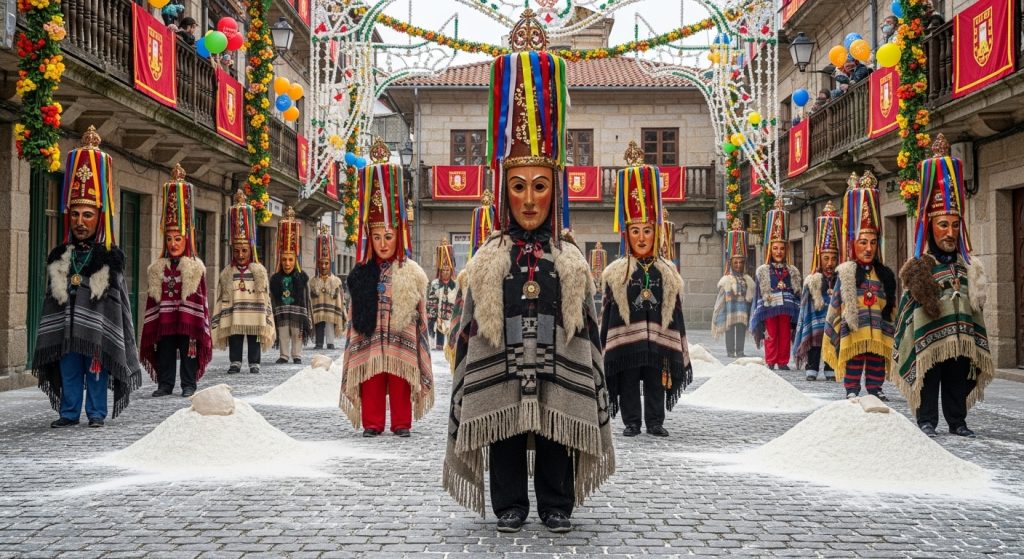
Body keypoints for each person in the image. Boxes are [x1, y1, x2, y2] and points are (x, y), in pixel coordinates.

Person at [443, 13, 614, 534]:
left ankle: (557, 503)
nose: (530, 198)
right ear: (504, 192)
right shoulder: (487, 257)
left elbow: (586, 331)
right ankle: (510, 502)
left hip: (556, 360)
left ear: (554, 190)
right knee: (507, 427)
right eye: (518, 187)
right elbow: (468, 328)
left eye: (540, 186)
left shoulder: (570, 258)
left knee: (561, 422)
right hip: (504, 362)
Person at [32, 127, 144, 428]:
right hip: (66, 331)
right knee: (69, 370)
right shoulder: (59, 255)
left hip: (96, 333)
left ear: (100, 217)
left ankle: (96, 413)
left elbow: (118, 307)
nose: (81, 222)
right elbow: (50, 300)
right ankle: (68, 412)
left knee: (95, 370)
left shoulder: (110, 257)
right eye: (76, 215)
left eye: (88, 215)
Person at [892, 134, 993, 437]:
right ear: (930, 226)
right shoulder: (920, 267)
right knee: (929, 374)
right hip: (929, 340)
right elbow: (909, 312)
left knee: (957, 376)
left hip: (961, 337)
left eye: (953, 225)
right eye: (942, 225)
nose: (949, 232)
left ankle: (958, 421)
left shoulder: (969, 266)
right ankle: (927, 420)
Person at [340, 137, 434, 438]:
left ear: (398, 236)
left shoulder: (410, 272)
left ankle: (402, 422)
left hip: (400, 336)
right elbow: (352, 314)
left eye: (388, 236)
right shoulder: (360, 274)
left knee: (399, 376)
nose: (383, 243)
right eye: (377, 237)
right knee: (372, 377)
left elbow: (421, 314)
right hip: (371, 335)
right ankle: (372, 422)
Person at [601, 141, 693, 438]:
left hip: (658, 339)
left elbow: (676, 312)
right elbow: (607, 312)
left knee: (655, 377)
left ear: (656, 233)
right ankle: (631, 422)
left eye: (647, 230)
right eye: (635, 231)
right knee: (628, 379)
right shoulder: (615, 272)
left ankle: (655, 421)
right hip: (626, 340)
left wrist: (677, 339)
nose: (641, 237)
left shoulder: (668, 272)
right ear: (626, 234)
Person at [822, 172, 896, 399]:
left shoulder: (885, 274)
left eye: (873, 243)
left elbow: (891, 303)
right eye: (863, 242)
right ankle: (852, 389)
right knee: (854, 356)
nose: (868, 248)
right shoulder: (846, 272)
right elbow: (836, 305)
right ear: (854, 245)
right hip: (854, 327)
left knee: (876, 357)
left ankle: (875, 388)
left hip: (877, 326)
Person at [140, 165, 212, 398]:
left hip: (188, 321)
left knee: (189, 349)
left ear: (186, 239)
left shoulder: (195, 267)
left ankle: (189, 384)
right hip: (165, 319)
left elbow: (200, 301)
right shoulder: (157, 267)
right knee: (165, 350)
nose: (173, 243)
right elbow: (153, 299)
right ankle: (165, 384)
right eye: (169, 238)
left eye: (177, 238)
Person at [211, 190, 276, 374]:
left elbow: (265, 297)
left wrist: (264, 313)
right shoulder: (227, 273)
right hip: (236, 311)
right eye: (237, 250)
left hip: (254, 312)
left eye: (244, 251)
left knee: (254, 333)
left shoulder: (259, 272)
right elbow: (222, 298)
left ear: (251, 251)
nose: (240, 255)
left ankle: (254, 362)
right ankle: (235, 361)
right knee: (235, 333)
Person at [749, 198, 802, 370]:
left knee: (785, 334)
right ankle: (771, 360)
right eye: (775, 248)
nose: (778, 252)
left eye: (781, 248)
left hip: (786, 308)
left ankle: (783, 361)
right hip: (770, 307)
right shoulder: (763, 270)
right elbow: (759, 293)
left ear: (786, 250)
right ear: (769, 250)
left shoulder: (792, 270)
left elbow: (796, 292)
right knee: (771, 334)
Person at [793, 202, 841, 381]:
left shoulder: (841, 279)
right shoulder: (812, 280)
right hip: (815, 323)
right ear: (819, 258)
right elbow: (805, 308)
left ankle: (830, 368)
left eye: (833, 258)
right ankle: (811, 368)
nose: (830, 263)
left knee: (832, 342)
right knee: (814, 344)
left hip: (833, 322)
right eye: (826, 258)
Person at [269, 207, 313, 364]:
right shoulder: (275, 279)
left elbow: (306, 299)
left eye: (290, 260)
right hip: (282, 311)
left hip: (297, 312)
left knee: (296, 332)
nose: (287, 263)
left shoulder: (301, 278)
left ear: (296, 260)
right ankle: (283, 355)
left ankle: (297, 354)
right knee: (282, 332)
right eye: (284, 259)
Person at [712, 219, 754, 357]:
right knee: (729, 328)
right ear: (730, 263)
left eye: (741, 262)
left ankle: (740, 351)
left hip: (742, 311)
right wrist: (719, 311)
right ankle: (730, 351)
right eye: (735, 262)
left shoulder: (748, 280)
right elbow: (720, 299)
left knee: (741, 328)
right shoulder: (726, 280)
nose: (738, 265)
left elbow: (750, 298)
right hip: (729, 310)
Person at [310, 225, 345, 350]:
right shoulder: (313, 281)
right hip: (319, 308)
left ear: (330, 264)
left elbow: (339, 298)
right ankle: (319, 342)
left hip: (330, 308)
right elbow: (311, 298)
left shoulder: (336, 281)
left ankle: (330, 342)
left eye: (326, 263)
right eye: (321, 263)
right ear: (318, 264)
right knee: (319, 322)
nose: (324, 266)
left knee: (330, 321)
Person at [426, 240, 458, 350]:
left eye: (447, 270)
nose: (445, 272)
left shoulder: (456, 285)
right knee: (437, 345)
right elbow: (431, 303)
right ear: (440, 271)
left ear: (451, 270)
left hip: (450, 318)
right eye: (443, 270)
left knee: (451, 344)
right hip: (437, 319)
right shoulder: (435, 284)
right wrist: (433, 318)